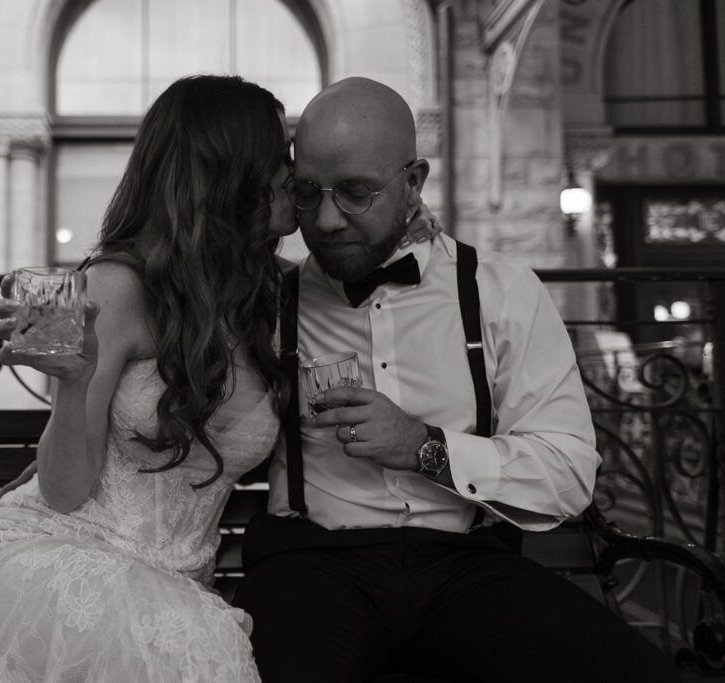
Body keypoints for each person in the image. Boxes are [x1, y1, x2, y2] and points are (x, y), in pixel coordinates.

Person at [0, 74, 438, 683]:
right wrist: (70, 383)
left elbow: (398, 278)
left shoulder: (277, 295)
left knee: (195, 644)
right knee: (204, 655)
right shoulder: (109, 288)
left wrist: (411, 216)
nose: (292, 171)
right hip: (52, 551)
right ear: (231, 175)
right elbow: (63, 493)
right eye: (277, 155)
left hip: (176, 587)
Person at [231, 76, 682, 683]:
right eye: (309, 193)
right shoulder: (269, 300)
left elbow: (569, 472)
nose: (329, 220)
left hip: (465, 567)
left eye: (357, 193)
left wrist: (426, 447)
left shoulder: (501, 291)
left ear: (413, 182)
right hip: (313, 567)